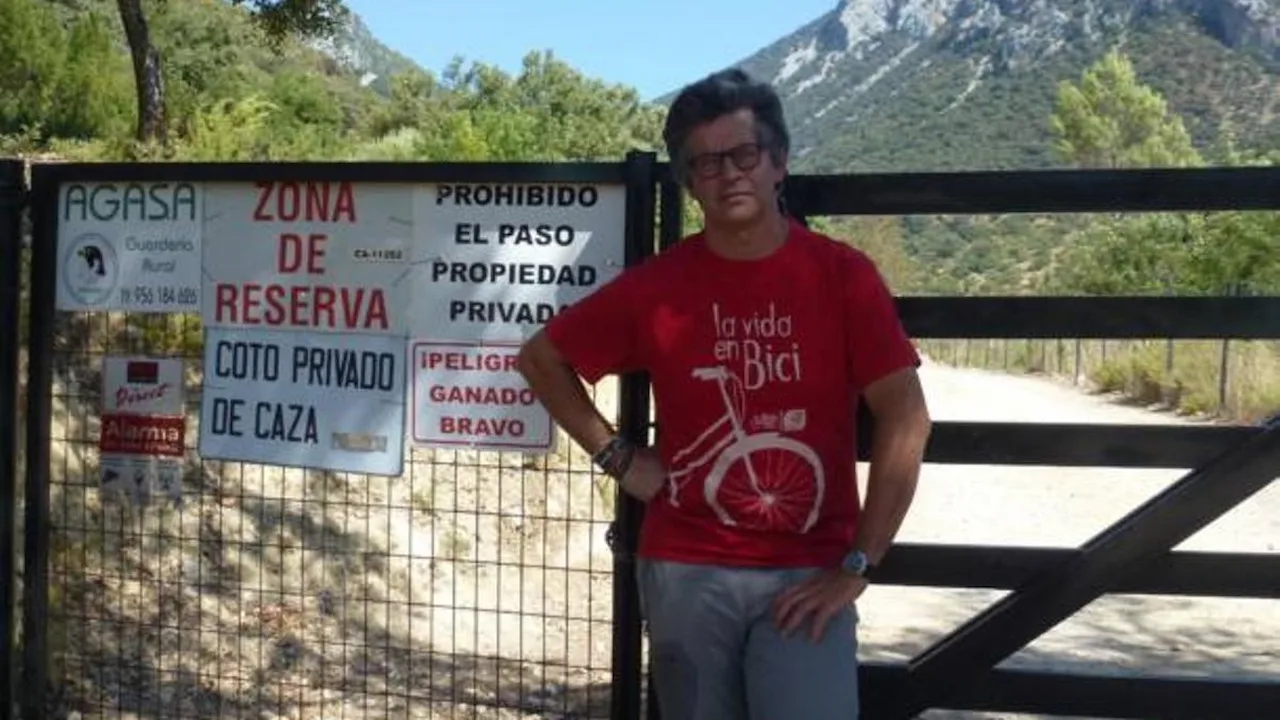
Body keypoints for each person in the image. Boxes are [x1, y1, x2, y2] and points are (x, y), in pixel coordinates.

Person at [515, 68, 932, 720]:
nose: (730, 174)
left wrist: (859, 563)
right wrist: (617, 458)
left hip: (808, 573)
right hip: (686, 567)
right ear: (689, 180)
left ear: (778, 163)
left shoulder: (841, 277)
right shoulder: (658, 286)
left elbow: (905, 417)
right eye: (707, 163)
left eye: (744, 154)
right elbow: (541, 359)